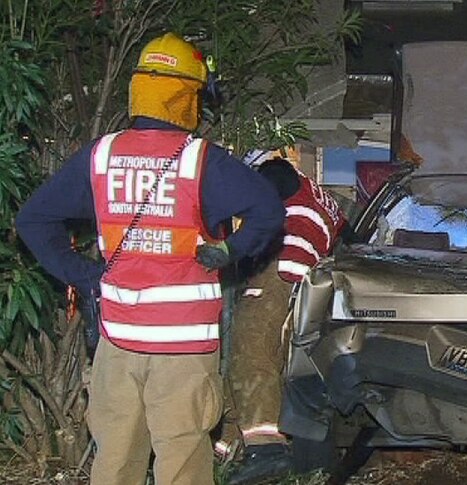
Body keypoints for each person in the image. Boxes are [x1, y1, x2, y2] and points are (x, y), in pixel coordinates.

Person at [15, 33, 284, 485]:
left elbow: (33, 219)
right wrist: (228, 251)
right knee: (181, 465)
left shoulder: (101, 155)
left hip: (116, 344)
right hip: (182, 349)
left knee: (115, 462)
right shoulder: (202, 162)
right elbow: (269, 210)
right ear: (186, 95)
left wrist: (83, 274)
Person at [216, 150, 347, 485]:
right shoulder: (323, 196)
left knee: (250, 353)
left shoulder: (278, 175)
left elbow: (260, 196)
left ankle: (265, 450)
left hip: (279, 274)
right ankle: (230, 448)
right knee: (258, 361)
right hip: (306, 284)